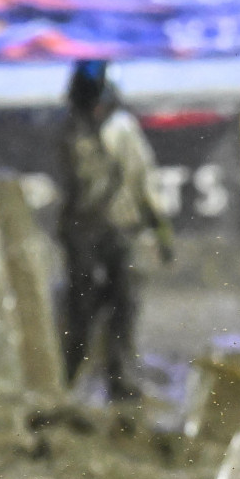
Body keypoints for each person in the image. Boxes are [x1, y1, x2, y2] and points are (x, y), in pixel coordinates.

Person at [58, 61, 173, 404]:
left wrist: (159, 227)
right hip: (92, 233)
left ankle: (116, 377)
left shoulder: (112, 130)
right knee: (86, 309)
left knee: (121, 306)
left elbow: (140, 181)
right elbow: (140, 182)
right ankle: (74, 377)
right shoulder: (83, 132)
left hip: (114, 231)